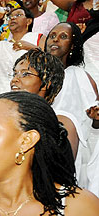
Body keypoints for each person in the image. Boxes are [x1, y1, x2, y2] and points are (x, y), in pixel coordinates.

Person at [45, 22, 99, 187]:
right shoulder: (33, 72)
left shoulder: (80, 76)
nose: (55, 40)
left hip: (73, 157)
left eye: (63, 37)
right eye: (52, 36)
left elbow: (94, 125)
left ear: (73, 45)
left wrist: (96, 118)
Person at [0, 7, 45, 99]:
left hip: (28, 97)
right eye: (10, 17)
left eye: (18, 15)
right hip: (0, 97)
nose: (12, 18)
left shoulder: (38, 37)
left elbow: (50, 61)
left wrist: (31, 48)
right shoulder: (0, 45)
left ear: (28, 21)